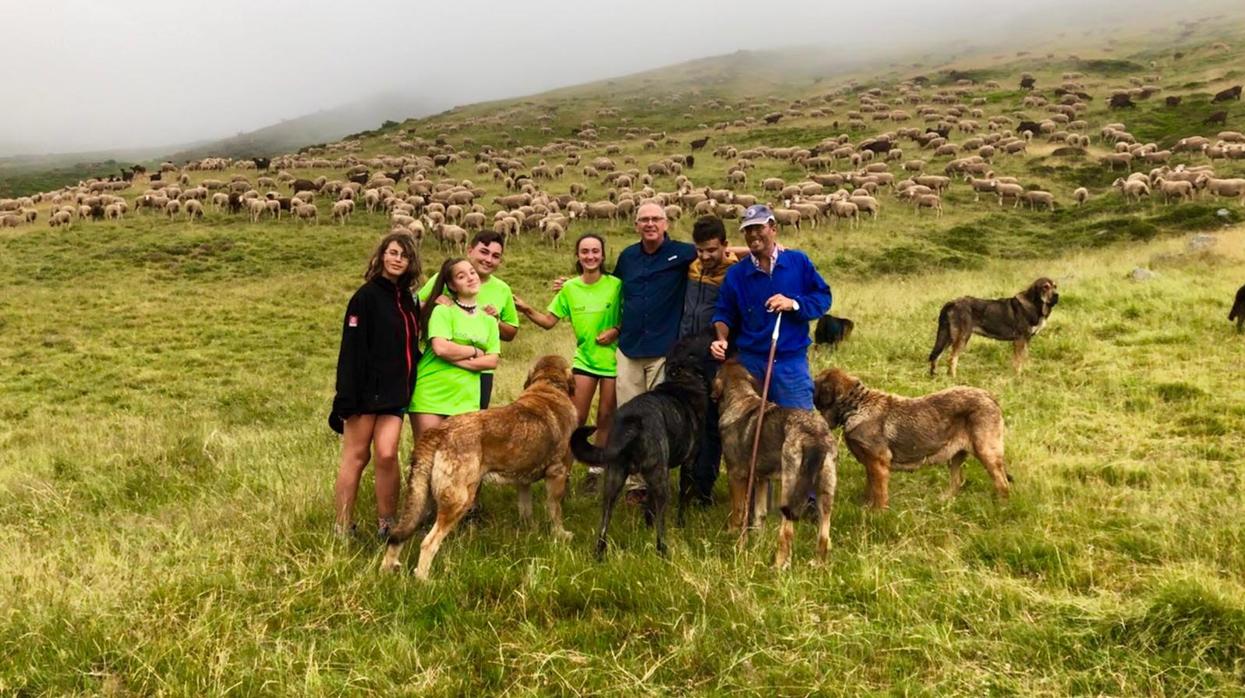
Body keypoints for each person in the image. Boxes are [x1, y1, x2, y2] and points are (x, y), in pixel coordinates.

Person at [330, 232, 421, 540]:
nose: (397, 259)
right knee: (356, 456)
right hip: (365, 393)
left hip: (395, 392)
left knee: (386, 453)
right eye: (393, 253)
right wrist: (345, 396)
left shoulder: (408, 299)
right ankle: (342, 526)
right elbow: (351, 348)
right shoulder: (365, 297)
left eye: (404, 256)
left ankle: (387, 522)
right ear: (382, 255)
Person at [514, 232, 621, 492]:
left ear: (603, 255)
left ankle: (595, 471)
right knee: (575, 417)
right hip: (585, 360)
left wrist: (616, 330)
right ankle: (565, 470)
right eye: (585, 251)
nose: (590, 256)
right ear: (577, 255)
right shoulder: (570, 288)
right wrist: (527, 309)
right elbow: (549, 322)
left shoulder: (617, 284)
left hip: (615, 360)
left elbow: (632, 313)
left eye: (595, 251)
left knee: (606, 416)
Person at [710, 204, 832, 410]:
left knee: (800, 428)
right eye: (748, 230)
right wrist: (721, 339)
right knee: (746, 430)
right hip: (750, 363)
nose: (753, 235)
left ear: (773, 228)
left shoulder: (798, 262)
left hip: (789, 363)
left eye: (759, 228)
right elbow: (724, 312)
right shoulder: (737, 274)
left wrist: (794, 304)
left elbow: (823, 297)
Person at [416, 231, 518, 410]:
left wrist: (496, 321)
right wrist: (434, 304)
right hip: (439, 370)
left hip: (480, 373)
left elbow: (511, 332)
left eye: (495, 256)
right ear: (470, 250)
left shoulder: (503, 289)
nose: (488, 259)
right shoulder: (445, 278)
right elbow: (415, 309)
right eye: (484, 252)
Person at [679, 216, 741, 505]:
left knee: (712, 425)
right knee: (688, 420)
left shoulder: (736, 274)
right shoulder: (691, 267)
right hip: (686, 356)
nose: (705, 256)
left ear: (725, 246)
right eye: (700, 250)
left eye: (712, 250)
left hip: (716, 359)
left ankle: (703, 488)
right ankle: (686, 486)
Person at [408, 257, 501, 439]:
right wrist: (474, 352)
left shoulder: (490, 320)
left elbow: (492, 361)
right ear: (451, 285)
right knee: (426, 461)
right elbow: (441, 348)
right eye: (461, 276)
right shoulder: (443, 311)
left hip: (466, 399)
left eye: (472, 273)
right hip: (430, 395)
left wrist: (456, 358)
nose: (470, 278)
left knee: (462, 462)